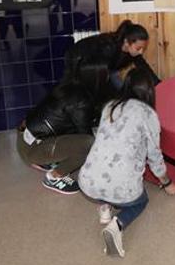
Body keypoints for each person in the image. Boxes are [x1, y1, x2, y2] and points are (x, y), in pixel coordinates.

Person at [78, 67, 175, 258]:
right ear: (150, 91)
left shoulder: (110, 106)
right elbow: (154, 156)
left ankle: (104, 207)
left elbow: (101, 137)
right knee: (140, 202)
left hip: (87, 181)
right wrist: (166, 183)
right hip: (121, 186)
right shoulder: (148, 115)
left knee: (104, 174)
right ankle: (117, 225)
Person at [18, 59, 110, 195]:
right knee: (89, 145)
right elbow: (86, 137)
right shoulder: (80, 101)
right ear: (97, 78)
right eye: (106, 74)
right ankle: (54, 176)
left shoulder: (68, 87)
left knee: (88, 137)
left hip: (26, 140)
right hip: (33, 150)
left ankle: (51, 161)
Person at [64, 20, 160, 89]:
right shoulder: (108, 48)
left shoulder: (133, 52)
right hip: (77, 57)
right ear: (126, 42)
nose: (141, 52)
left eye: (143, 48)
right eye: (138, 48)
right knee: (75, 87)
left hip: (107, 69)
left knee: (119, 90)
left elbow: (144, 68)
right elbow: (101, 77)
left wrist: (160, 85)